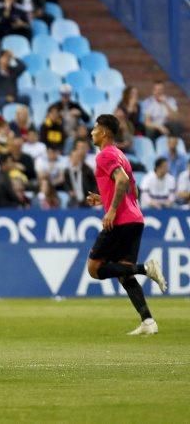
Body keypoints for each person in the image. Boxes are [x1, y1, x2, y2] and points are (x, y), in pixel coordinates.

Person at [85, 114, 167, 335]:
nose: (91, 132)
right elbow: (134, 190)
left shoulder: (105, 155)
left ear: (104, 133)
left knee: (94, 269)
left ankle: (146, 268)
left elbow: (121, 182)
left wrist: (111, 210)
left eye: (94, 128)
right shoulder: (122, 155)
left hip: (121, 220)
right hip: (135, 219)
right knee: (124, 273)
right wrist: (104, 200)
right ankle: (148, 321)